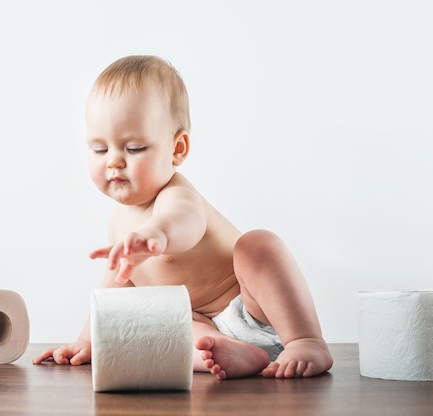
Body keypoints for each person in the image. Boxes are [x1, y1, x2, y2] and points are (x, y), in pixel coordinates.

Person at [33, 55, 333, 379]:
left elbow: (185, 222)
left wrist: (158, 234)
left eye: (133, 148)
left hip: (253, 307)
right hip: (199, 325)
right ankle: (228, 354)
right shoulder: (118, 222)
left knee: (257, 245)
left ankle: (304, 340)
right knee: (160, 328)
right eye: (100, 150)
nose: (114, 162)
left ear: (178, 149)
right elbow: (115, 286)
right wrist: (87, 340)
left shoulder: (176, 195)